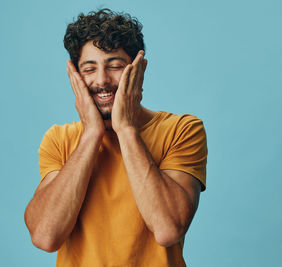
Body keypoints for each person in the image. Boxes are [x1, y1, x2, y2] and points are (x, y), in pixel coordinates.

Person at [24, 8, 207, 267]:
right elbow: (45, 236)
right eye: (89, 68)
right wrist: (91, 134)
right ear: (75, 76)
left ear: (138, 70)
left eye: (115, 66)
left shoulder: (182, 129)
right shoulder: (59, 139)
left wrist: (127, 130)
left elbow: (168, 229)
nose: (102, 80)